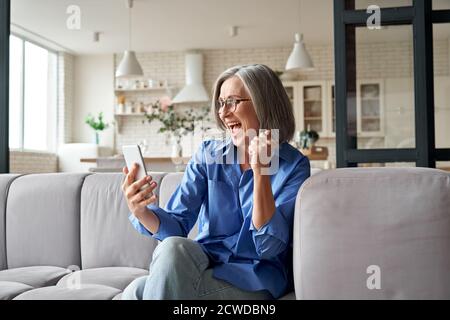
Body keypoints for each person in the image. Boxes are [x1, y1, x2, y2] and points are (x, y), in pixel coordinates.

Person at [121, 64, 310, 300]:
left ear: (264, 103)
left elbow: (268, 247)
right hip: (207, 262)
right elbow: (177, 225)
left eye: (232, 101)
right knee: (171, 249)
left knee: (136, 293)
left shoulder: (294, 166)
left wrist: (260, 173)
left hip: (256, 277)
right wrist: (140, 211)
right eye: (221, 103)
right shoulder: (209, 154)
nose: (223, 112)